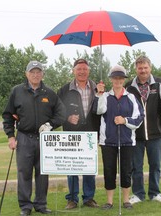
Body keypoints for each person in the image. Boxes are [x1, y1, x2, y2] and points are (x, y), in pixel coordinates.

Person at [2, 61, 66, 216]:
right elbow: (7, 115)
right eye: (32, 72)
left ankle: (41, 204)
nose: (35, 75)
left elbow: (61, 114)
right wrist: (11, 136)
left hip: (44, 139)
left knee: (43, 173)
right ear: (27, 74)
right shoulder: (17, 91)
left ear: (42, 74)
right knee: (24, 173)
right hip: (24, 137)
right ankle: (25, 206)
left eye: (38, 72)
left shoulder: (49, 93)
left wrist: (50, 124)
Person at [125, 55, 161, 204]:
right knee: (136, 167)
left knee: (155, 165)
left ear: (150, 68)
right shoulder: (129, 86)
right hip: (136, 134)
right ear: (136, 69)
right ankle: (138, 194)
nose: (143, 70)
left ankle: (155, 193)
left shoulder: (159, 83)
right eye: (140, 68)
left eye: (145, 67)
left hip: (155, 132)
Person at [93, 65, 145, 210]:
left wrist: (125, 120)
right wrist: (100, 94)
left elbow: (139, 117)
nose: (118, 80)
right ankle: (109, 201)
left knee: (126, 171)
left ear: (123, 80)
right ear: (111, 79)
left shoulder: (131, 97)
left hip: (127, 140)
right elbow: (98, 110)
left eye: (120, 78)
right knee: (109, 171)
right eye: (115, 78)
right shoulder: (104, 96)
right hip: (108, 141)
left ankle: (126, 200)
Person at [57, 59, 101, 210]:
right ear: (73, 71)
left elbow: (102, 110)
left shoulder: (97, 88)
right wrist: (67, 118)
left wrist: (101, 94)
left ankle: (89, 198)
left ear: (89, 71)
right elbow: (57, 111)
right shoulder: (64, 90)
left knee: (89, 166)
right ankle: (72, 199)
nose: (82, 72)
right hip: (71, 133)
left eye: (85, 69)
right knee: (72, 166)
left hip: (91, 132)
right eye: (79, 69)